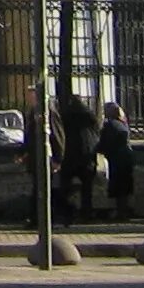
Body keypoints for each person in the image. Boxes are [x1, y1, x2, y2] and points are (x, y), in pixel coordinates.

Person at [54, 91, 98, 228]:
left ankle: (67, 214)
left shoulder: (67, 117)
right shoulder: (90, 117)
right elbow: (97, 134)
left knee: (65, 186)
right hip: (88, 157)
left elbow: (61, 135)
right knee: (87, 189)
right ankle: (87, 213)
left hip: (71, 157)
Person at [97, 100, 136, 220]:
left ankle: (121, 213)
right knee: (124, 187)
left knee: (119, 187)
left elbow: (105, 143)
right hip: (126, 158)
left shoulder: (110, 125)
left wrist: (98, 149)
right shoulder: (123, 123)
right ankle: (123, 211)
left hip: (117, 159)